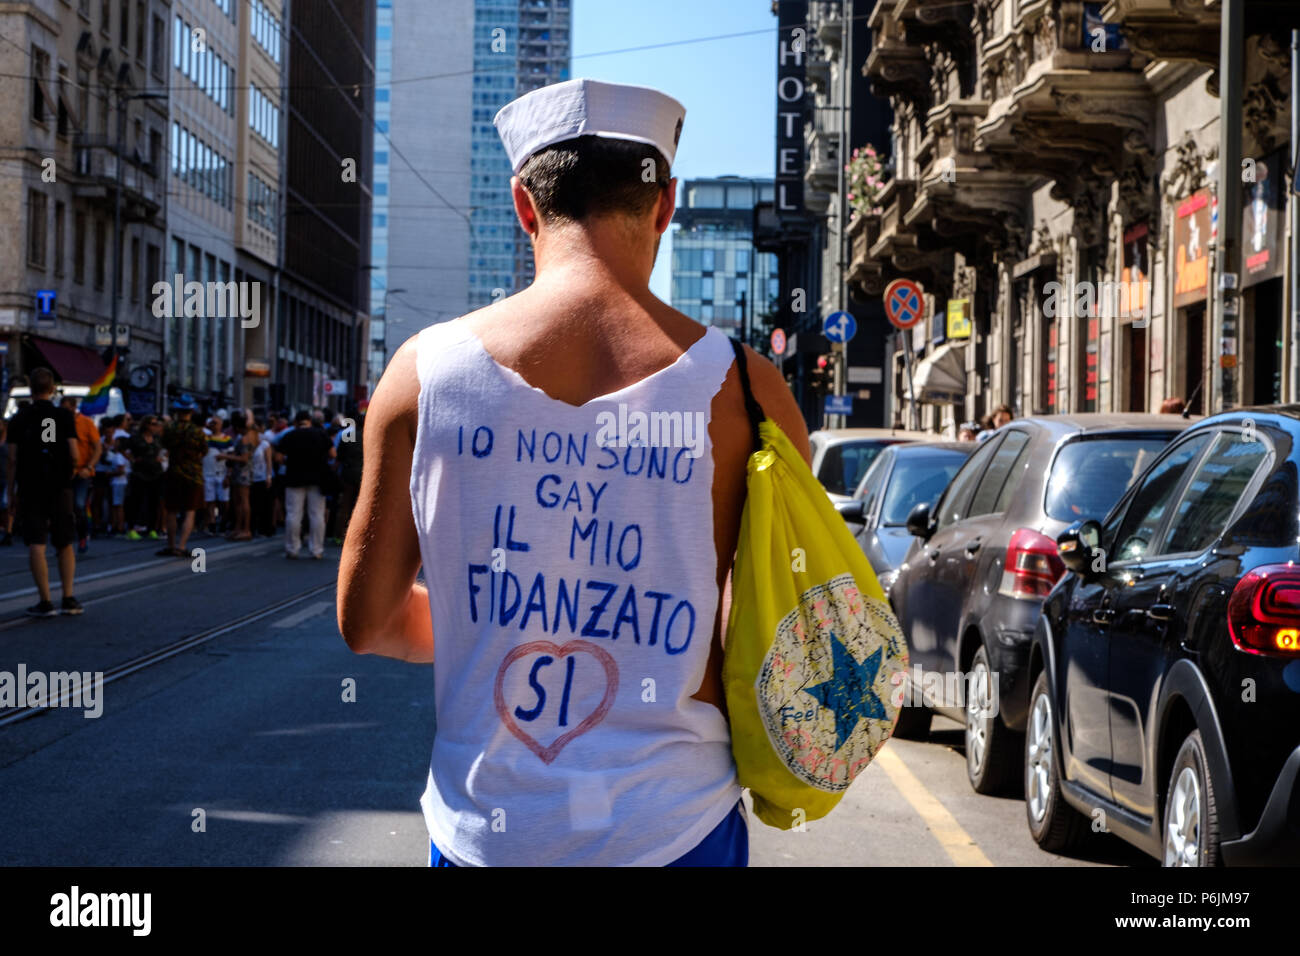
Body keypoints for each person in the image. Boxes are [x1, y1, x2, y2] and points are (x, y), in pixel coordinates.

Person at [337, 78, 809, 868]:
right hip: (677, 827)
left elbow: (368, 621)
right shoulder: (749, 388)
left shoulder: (423, 375)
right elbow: (775, 623)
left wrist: (486, 632)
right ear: (664, 206)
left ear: (525, 205)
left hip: (487, 827)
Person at [6, 367, 81, 616]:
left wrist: (11, 491)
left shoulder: (19, 417)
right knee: (64, 542)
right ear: (52, 389)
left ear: (30, 388)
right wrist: (71, 473)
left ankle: (45, 600)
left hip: (30, 486)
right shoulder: (63, 415)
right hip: (59, 486)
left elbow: (13, 459)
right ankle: (68, 597)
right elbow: (74, 453)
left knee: (36, 543)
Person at [275, 410, 334, 559]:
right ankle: (317, 549)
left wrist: (289, 461)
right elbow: (333, 454)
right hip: (317, 478)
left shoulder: (289, 435)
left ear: (296, 422)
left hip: (294, 478)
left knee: (293, 514)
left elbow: (278, 457)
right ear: (310, 421)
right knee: (317, 515)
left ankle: (292, 548)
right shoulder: (321, 434)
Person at [159, 395, 208, 557]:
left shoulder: (169, 429)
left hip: (173, 473)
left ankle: (171, 545)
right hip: (193, 475)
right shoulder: (197, 432)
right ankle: (182, 546)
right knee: (190, 511)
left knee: (171, 510)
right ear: (191, 411)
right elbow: (204, 451)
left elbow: (164, 444)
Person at [61, 395, 102, 553]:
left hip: (81, 471)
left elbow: (98, 447)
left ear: (73, 407)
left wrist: (89, 466)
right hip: (64, 472)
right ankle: (65, 539)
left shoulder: (86, 423)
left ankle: (83, 536)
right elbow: (47, 443)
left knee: (78, 504)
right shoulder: (52, 422)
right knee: (64, 507)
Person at [125, 416, 164, 539]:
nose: (155, 426)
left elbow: (163, 450)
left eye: (156, 424)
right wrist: (132, 460)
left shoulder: (157, 438)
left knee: (154, 501)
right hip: (140, 473)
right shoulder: (136, 438)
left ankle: (152, 528)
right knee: (136, 500)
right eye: (153, 423)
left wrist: (160, 458)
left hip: (155, 473)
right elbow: (122, 449)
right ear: (146, 425)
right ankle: (131, 528)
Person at [249, 420, 274, 537]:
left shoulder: (265, 444)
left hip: (262, 477)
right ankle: (253, 527)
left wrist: (268, 476)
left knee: (264, 504)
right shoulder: (248, 443)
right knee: (253, 504)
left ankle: (265, 529)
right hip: (250, 477)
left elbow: (269, 462)